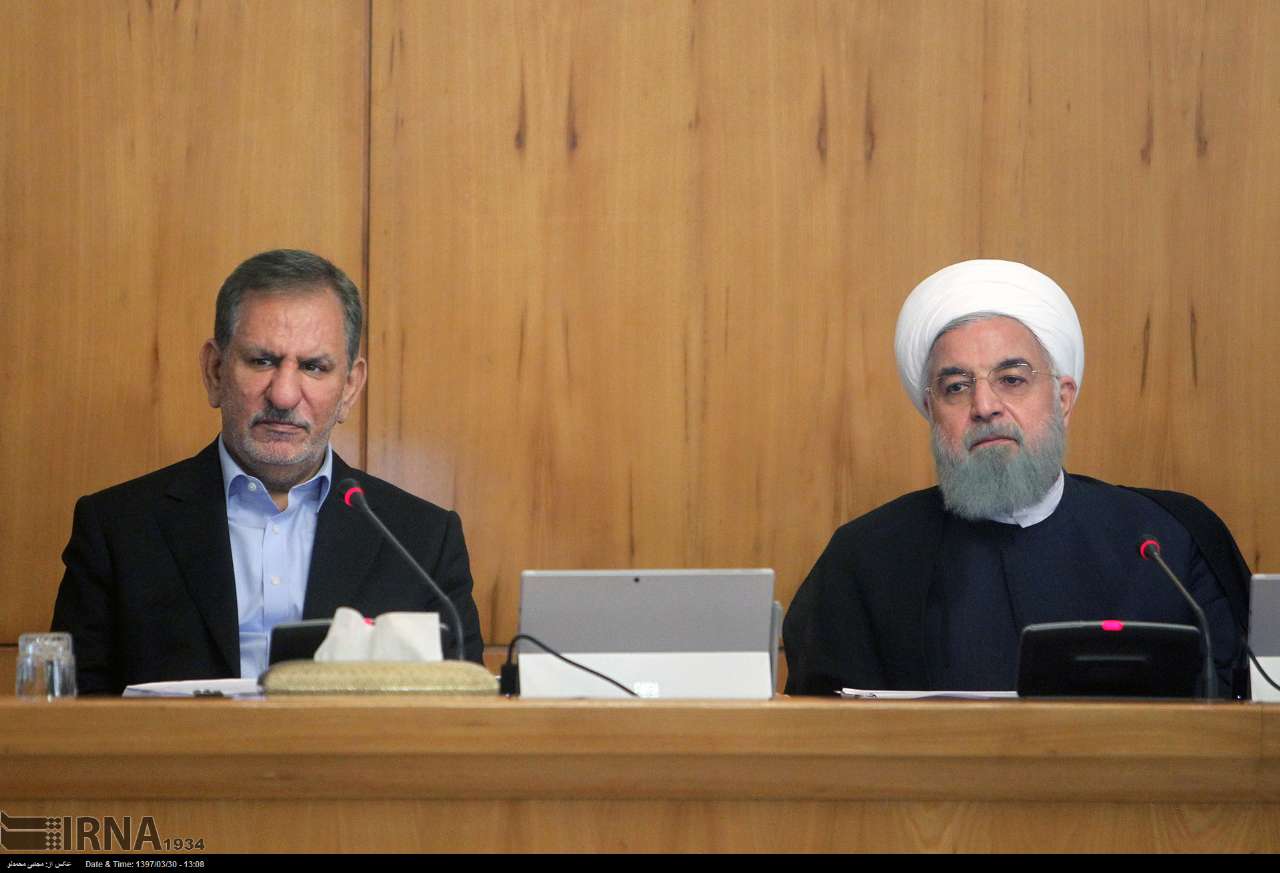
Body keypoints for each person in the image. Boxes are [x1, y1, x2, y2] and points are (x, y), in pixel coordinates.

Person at [783, 259, 1250, 696]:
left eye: (1011, 379)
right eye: (956, 387)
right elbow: (821, 734)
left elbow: (1237, 717)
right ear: (931, 411)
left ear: (1062, 399)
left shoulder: (1168, 540)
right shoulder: (866, 559)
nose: (984, 406)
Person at [52, 249, 483, 694]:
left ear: (350, 388)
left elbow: (466, 714)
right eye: (262, 361)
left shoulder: (423, 542)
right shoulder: (117, 530)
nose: (284, 395)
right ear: (215, 371)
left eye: (314, 367)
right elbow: (71, 717)